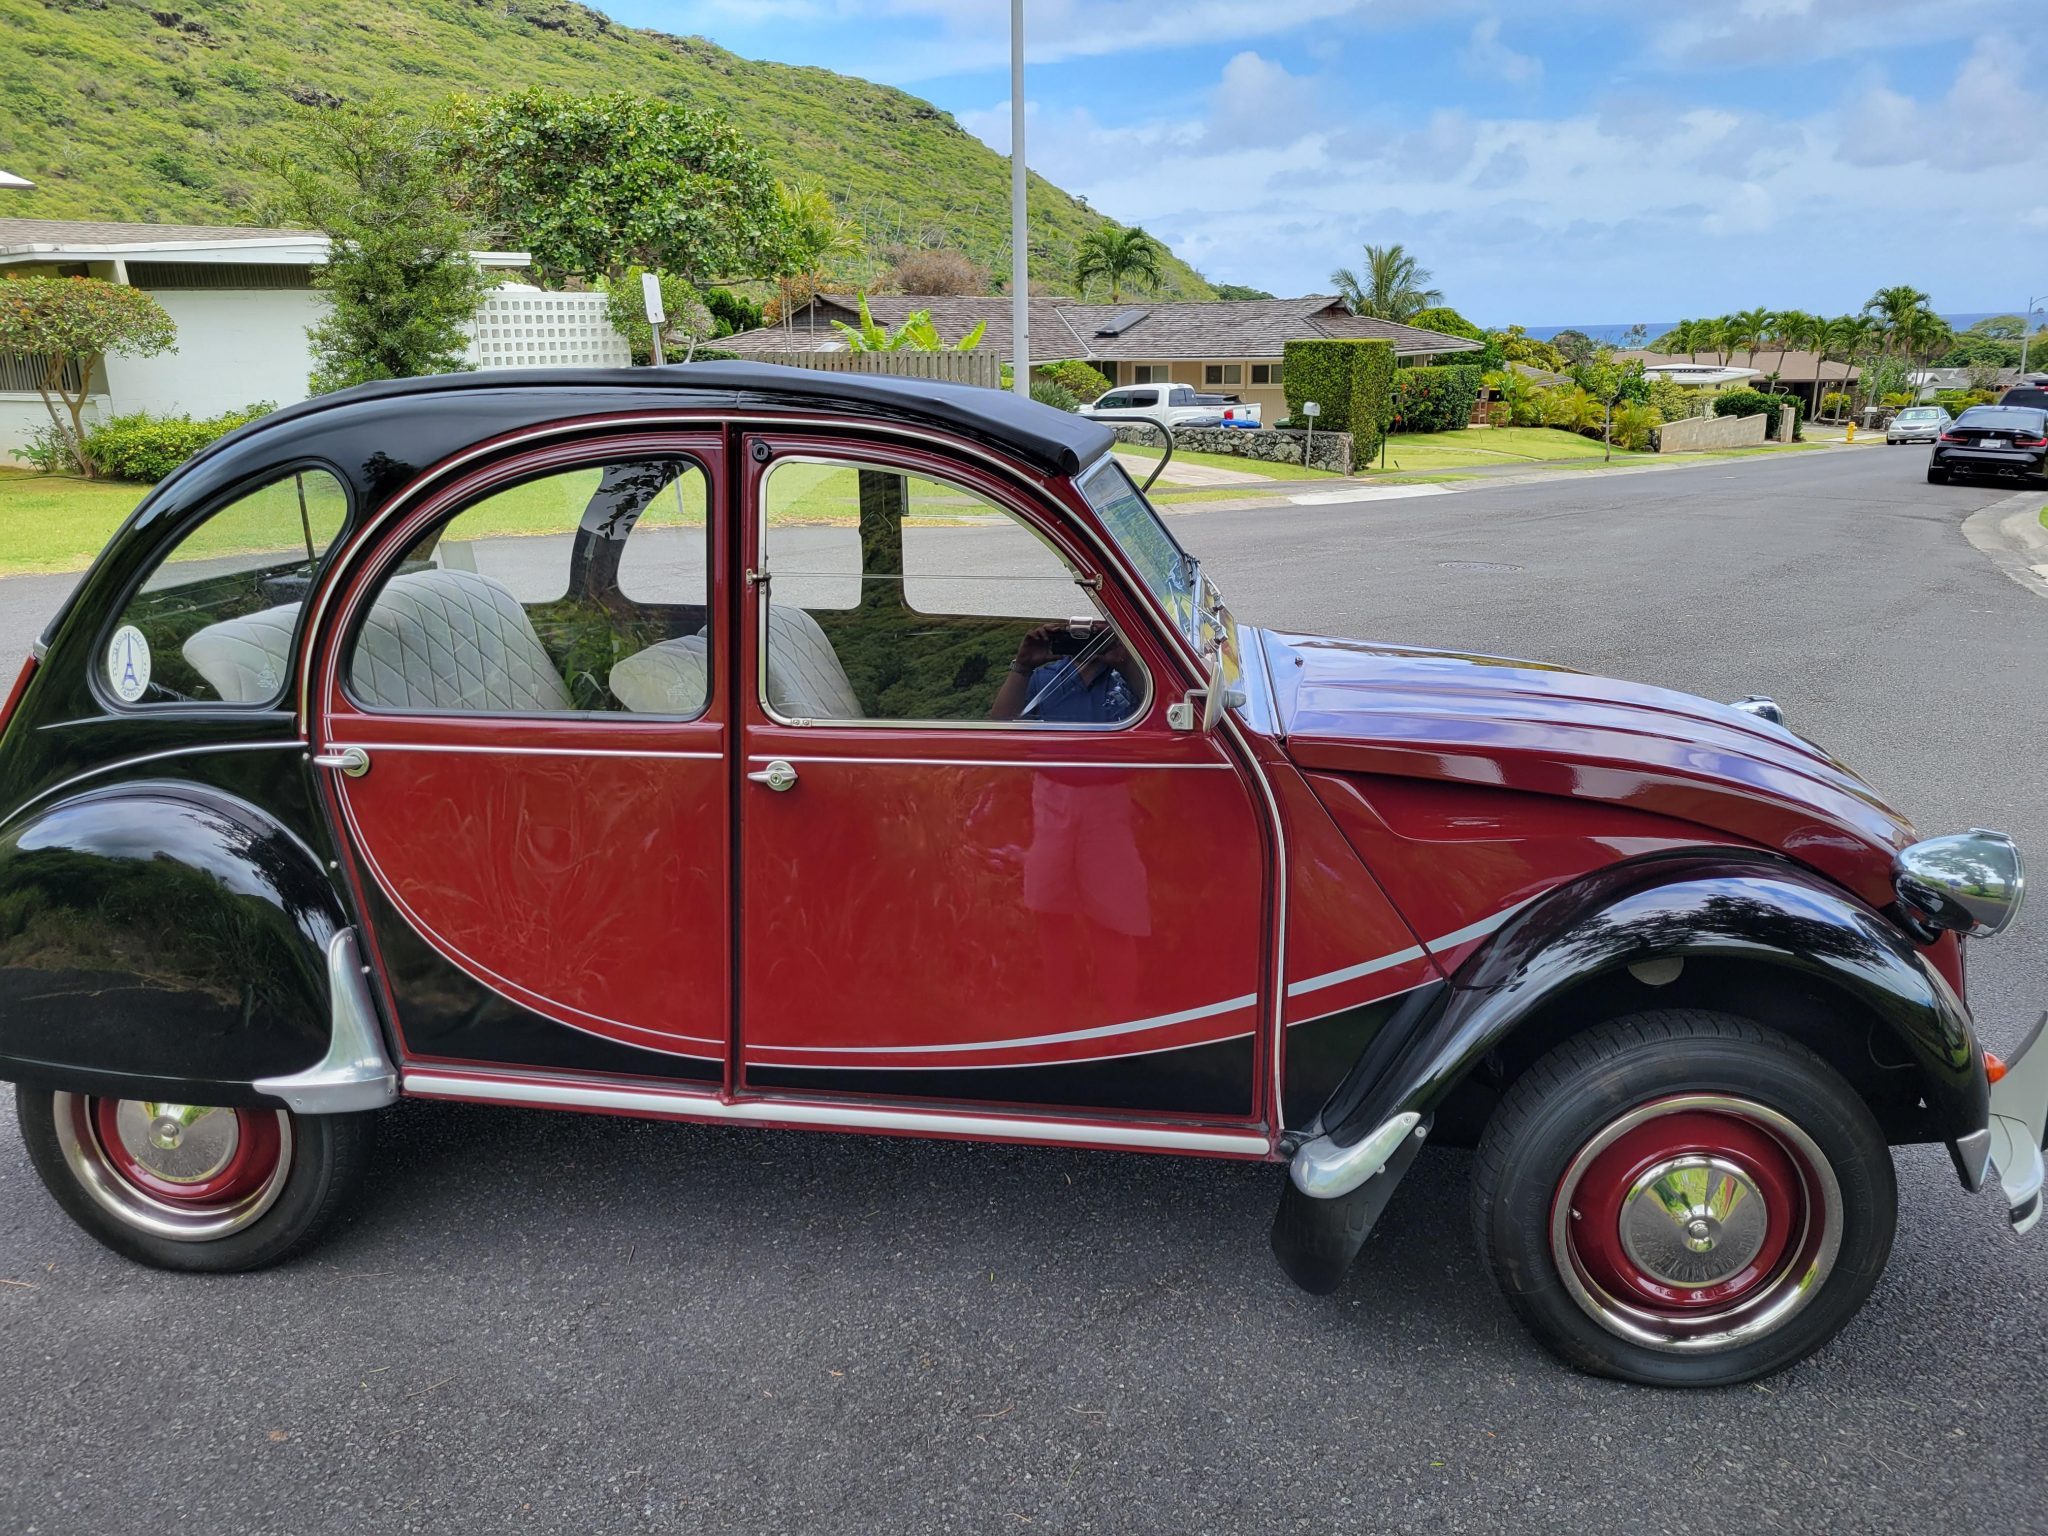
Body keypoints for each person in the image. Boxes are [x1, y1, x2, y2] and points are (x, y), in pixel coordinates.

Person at [990, 621, 1137, 724]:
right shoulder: (1042, 678)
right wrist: (1023, 668)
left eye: (1094, 628)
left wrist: (1127, 664)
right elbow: (1001, 727)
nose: (1085, 634)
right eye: (1078, 628)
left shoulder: (1130, 675)